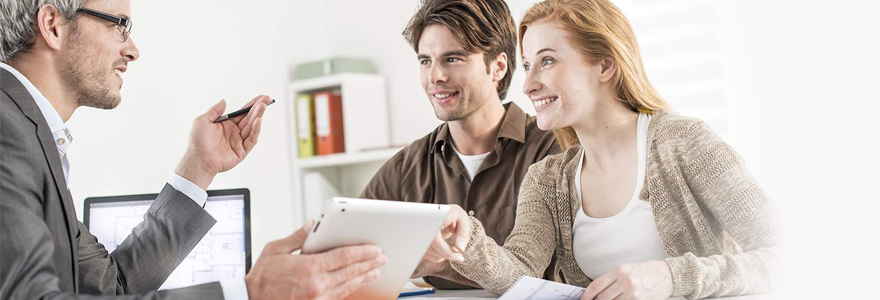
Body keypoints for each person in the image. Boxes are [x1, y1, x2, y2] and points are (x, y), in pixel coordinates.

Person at [0, 0, 385, 299]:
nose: (132, 51)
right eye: (119, 25)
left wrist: (199, 166)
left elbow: (111, 286)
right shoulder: (7, 131)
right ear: (52, 25)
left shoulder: (28, 133)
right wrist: (251, 292)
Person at [422, 0, 780, 299]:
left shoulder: (684, 143)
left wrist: (671, 277)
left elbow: (786, 256)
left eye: (547, 61)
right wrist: (467, 241)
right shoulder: (548, 179)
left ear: (605, 65)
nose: (528, 85)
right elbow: (519, 276)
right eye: (528, 66)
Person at [358, 0, 560, 289]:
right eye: (425, 60)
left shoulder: (552, 150)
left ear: (498, 66)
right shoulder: (406, 168)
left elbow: (551, 276)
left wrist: (444, 267)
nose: (435, 77)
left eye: (452, 58)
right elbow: (351, 250)